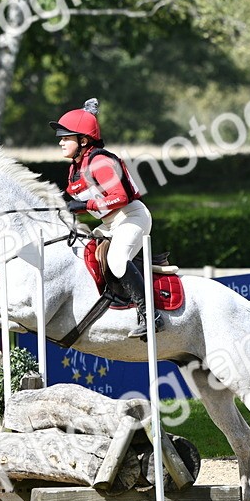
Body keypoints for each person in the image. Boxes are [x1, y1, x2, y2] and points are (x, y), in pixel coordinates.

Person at [51, 98, 162, 338]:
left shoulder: (99, 162)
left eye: (66, 137)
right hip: (111, 223)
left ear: (83, 140)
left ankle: (150, 315)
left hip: (132, 217)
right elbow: (84, 201)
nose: (60, 142)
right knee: (84, 252)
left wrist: (85, 204)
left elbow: (119, 197)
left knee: (117, 259)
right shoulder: (75, 168)